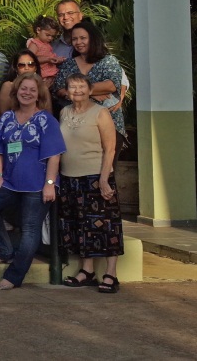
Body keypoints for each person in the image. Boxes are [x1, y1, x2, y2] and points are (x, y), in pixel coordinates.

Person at [0, 73, 65, 290]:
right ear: (16, 92)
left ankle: (14, 276)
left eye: (32, 90)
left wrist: (49, 183)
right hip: (9, 181)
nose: (27, 93)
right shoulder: (7, 118)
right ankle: (4, 249)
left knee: (30, 230)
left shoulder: (46, 120)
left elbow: (54, 155)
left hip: (38, 184)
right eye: (23, 89)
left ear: (39, 95)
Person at [57, 74, 122, 293]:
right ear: (66, 91)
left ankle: (111, 273)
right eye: (72, 87)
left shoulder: (100, 113)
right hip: (69, 178)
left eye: (81, 86)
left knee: (106, 226)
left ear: (90, 89)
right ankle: (87, 271)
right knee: (79, 225)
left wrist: (104, 178)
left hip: (96, 177)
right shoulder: (64, 112)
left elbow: (110, 148)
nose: (77, 91)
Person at [54, 20, 125, 134]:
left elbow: (111, 85)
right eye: (74, 39)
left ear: (93, 39)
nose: (78, 42)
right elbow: (59, 90)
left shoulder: (108, 61)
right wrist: (91, 93)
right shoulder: (68, 64)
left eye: (83, 38)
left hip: (108, 125)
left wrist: (73, 91)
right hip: (75, 127)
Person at [26, 16, 64, 83]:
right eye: (47, 35)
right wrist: (48, 59)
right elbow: (29, 59)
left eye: (52, 36)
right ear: (38, 30)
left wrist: (57, 59)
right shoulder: (34, 44)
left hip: (52, 75)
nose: (50, 38)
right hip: (42, 77)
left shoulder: (46, 44)